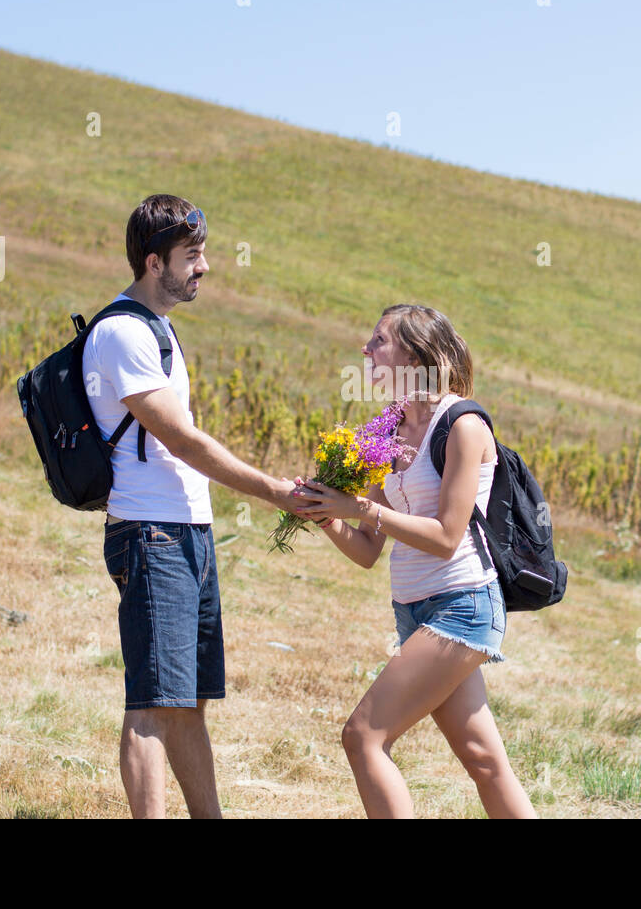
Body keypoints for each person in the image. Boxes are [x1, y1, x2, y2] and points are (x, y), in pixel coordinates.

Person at [84, 194, 301, 819]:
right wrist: (270, 490)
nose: (203, 267)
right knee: (151, 704)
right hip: (151, 536)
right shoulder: (122, 331)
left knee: (189, 703)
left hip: (189, 534)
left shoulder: (161, 329)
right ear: (155, 262)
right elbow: (179, 438)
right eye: (193, 257)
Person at [291, 304, 537, 818]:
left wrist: (356, 506)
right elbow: (366, 550)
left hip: (463, 606)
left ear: (415, 353)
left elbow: (448, 537)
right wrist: (327, 514)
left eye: (379, 340)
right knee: (484, 762)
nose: (366, 349)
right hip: (414, 610)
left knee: (362, 737)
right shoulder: (388, 430)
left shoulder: (463, 425)